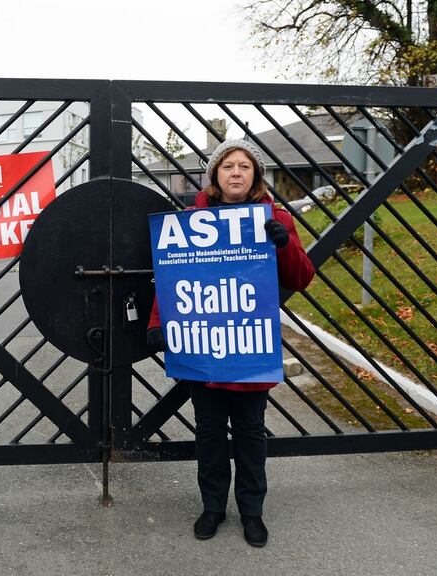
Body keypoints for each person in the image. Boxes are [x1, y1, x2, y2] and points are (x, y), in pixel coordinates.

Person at [146, 139, 314, 547]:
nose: (236, 172)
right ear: (215, 176)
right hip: (202, 347)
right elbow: (172, 278)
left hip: (248, 347)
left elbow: (301, 278)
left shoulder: (273, 218)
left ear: (255, 175)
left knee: (251, 433)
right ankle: (213, 507)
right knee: (208, 432)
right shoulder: (189, 220)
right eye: (228, 166)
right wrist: (157, 322)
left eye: (244, 166)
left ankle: (252, 511)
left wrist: (283, 242)